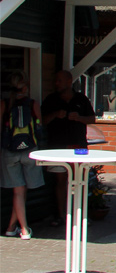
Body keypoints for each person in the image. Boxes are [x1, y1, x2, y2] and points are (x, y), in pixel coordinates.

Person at [41, 69, 96, 226]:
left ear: (68, 81)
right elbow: (42, 120)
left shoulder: (81, 99)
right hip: (57, 146)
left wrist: (79, 118)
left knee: (80, 179)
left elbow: (92, 119)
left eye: (59, 80)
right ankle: (62, 216)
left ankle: (81, 214)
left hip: (78, 145)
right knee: (60, 181)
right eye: (55, 81)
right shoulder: (51, 100)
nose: (56, 84)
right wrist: (55, 114)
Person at [1, 73, 44, 240]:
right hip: (30, 151)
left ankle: (13, 227)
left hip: (10, 152)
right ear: (25, 88)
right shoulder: (33, 104)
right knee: (22, 190)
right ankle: (24, 229)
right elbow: (39, 126)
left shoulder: (4, 104)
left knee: (18, 191)